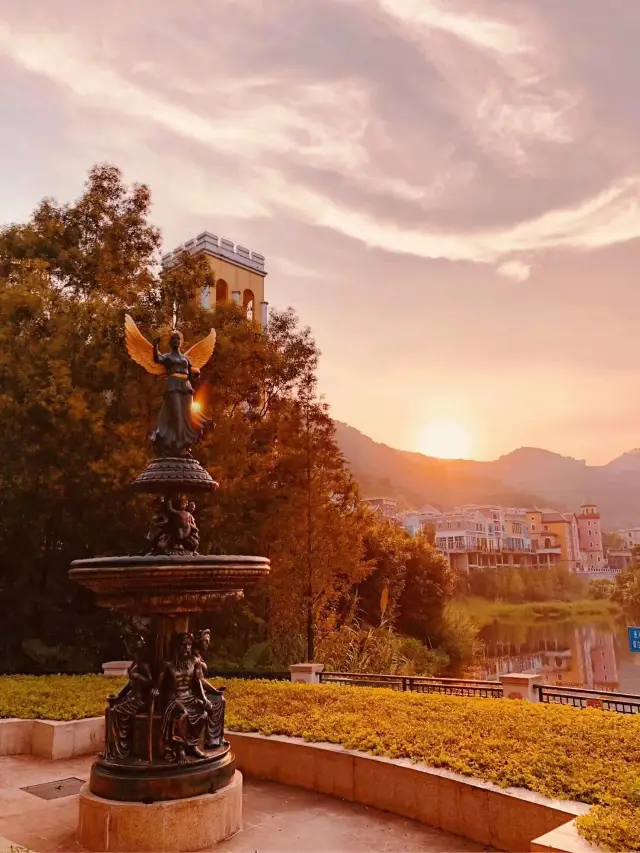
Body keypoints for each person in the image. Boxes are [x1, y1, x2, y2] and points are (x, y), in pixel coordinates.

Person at [158, 632, 211, 764]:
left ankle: (192, 746)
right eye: (184, 645)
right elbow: (158, 685)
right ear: (177, 646)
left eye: (189, 645)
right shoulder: (168, 665)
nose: (187, 648)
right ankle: (180, 749)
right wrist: (155, 690)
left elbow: (198, 681)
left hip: (189, 697)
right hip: (174, 699)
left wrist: (204, 699)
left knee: (204, 714)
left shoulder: (194, 661)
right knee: (182, 714)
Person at [103, 635, 152, 760]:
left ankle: (121, 749)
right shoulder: (135, 663)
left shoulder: (144, 665)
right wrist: (119, 695)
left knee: (115, 712)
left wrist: (136, 676)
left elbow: (150, 681)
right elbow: (130, 684)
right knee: (110, 710)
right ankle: (112, 749)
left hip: (139, 701)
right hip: (132, 697)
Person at [194, 629, 226, 749]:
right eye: (206, 641)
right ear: (198, 641)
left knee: (221, 699)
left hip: (199, 690)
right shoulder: (194, 658)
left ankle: (217, 737)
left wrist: (214, 690)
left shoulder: (198, 656)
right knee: (218, 700)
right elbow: (200, 681)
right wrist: (215, 691)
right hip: (194, 693)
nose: (208, 643)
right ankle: (212, 738)